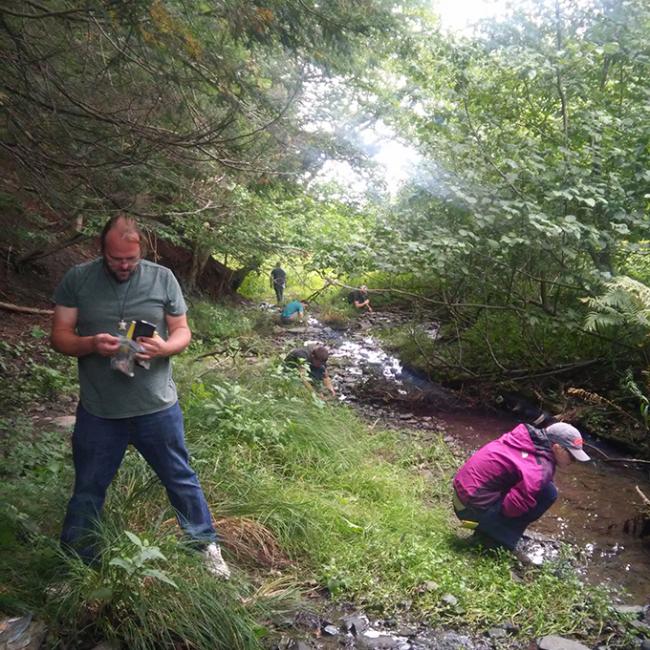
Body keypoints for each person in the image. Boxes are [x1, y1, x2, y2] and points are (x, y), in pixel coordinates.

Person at [50, 214, 230, 578]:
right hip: (100, 410)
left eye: (131, 259)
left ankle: (205, 547)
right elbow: (59, 336)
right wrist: (89, 344)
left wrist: (164, 348)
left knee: (180, 478)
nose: (124, 265)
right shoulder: (78, 280)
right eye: (116, 259)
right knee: (88, 489)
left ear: (141, 251)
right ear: (101, 250)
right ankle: (77, 563)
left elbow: (182, 331)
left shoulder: (163, 278)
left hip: (156, 407)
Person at [452, 422, 590, 554]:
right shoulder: (541, 468)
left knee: (546, 489)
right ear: (557, 448)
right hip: (469, 510)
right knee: (546, 495)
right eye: (572, 456)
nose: (573, 461)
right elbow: (511, 508)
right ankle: (494, 541)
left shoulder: (524, 439)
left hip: (460, 498)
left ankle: (491, 532)